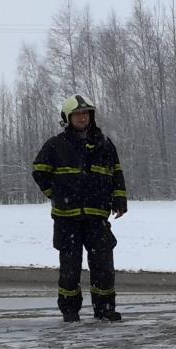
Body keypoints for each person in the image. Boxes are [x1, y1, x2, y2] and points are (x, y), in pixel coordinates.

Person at [32, 94, 127, 322]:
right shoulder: (55, 145)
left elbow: (117, 173)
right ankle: (70, 310)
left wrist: (119, 201)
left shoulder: (104, 144)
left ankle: (105, 309)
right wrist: (54, 194)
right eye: (77, 114)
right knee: (70, 269)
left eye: (85, 114)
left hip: (97, 217)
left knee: (103, 267)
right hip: (67, 219)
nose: (82, 118)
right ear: (68, 118)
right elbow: (39, 171)